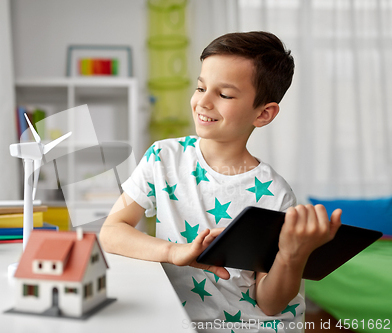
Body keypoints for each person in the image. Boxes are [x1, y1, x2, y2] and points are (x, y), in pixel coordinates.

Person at [99, 31, 342, 332]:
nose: (204, 102)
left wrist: (294, 255)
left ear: (263, 113)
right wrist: (174, 252)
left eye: (224, 95)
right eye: (201, 87)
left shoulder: (276, 195)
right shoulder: (162, 158)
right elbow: (111, 232)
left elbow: (271, 303)